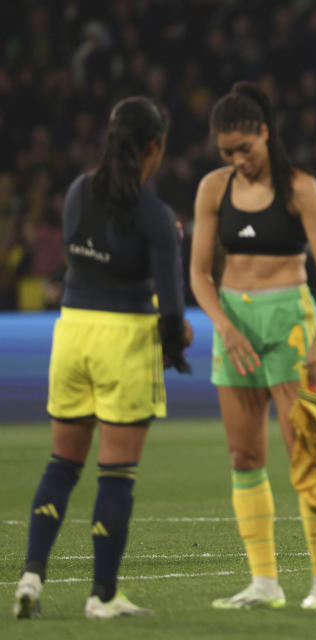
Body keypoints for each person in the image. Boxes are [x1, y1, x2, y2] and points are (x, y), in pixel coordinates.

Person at [14, 96, 191, 620]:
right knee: (116, 475)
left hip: (70, 334)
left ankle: (30, 577)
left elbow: (79, 257)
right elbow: (172, 305)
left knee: (62, 464)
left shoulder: (75, 193)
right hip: (124, 340)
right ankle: (103, 596)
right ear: (154, 147)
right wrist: (177, 344)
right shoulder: (155, 214)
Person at [189, 82, 316, 611]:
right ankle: (265, 583)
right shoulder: (213, 188)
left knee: (305, 451)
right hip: (232, 321)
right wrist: (225, 328)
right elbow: (199, 274)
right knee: (243, 454)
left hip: (288, 321)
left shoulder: (301, 188)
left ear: (263, 133)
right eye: (227, 152)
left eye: (244, 149)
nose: (237, 160)